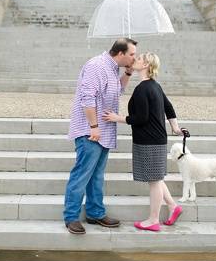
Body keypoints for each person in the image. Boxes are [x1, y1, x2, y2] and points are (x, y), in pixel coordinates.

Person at [63, 38, 137, 234]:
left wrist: (129, 72)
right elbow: (86, 97)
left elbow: (119, 90)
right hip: (91, 132)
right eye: (132, 54)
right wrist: (93, 126)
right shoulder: (97, 65)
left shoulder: (113, 68)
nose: (134, 58)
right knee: (81, 175)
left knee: (96, 176)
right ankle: (71, 217)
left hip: (104, 131)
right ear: (120, 53)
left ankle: (95, 213)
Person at [103, 52, 183, 232]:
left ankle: (153, 220)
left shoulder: (143, 88)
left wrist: (118, 118)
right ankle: (173, 206)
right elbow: (169, 108)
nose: (134, 60)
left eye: (138, 59)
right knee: (156, 177)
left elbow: (141, 118)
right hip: (157, 139)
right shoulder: (155, 86)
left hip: (149, 141)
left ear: (146, 64)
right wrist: (175, 128)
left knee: (154, 181)